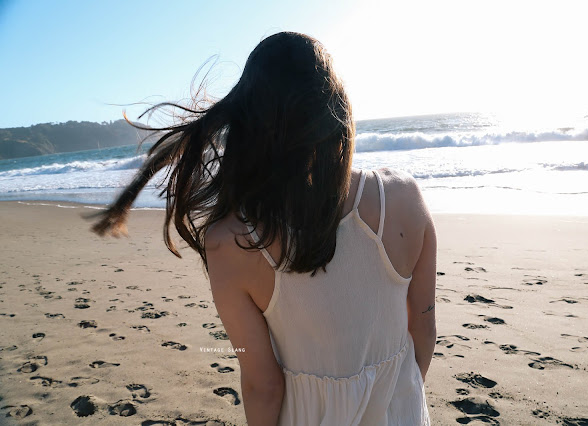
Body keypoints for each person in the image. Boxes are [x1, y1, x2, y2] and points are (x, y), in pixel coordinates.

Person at [88, 31, 437, 426]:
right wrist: (397, 399)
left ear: (247, 120)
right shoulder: (405, 196)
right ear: (336, 109)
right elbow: (422, 328)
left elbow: (263, 385)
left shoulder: (232, 242)